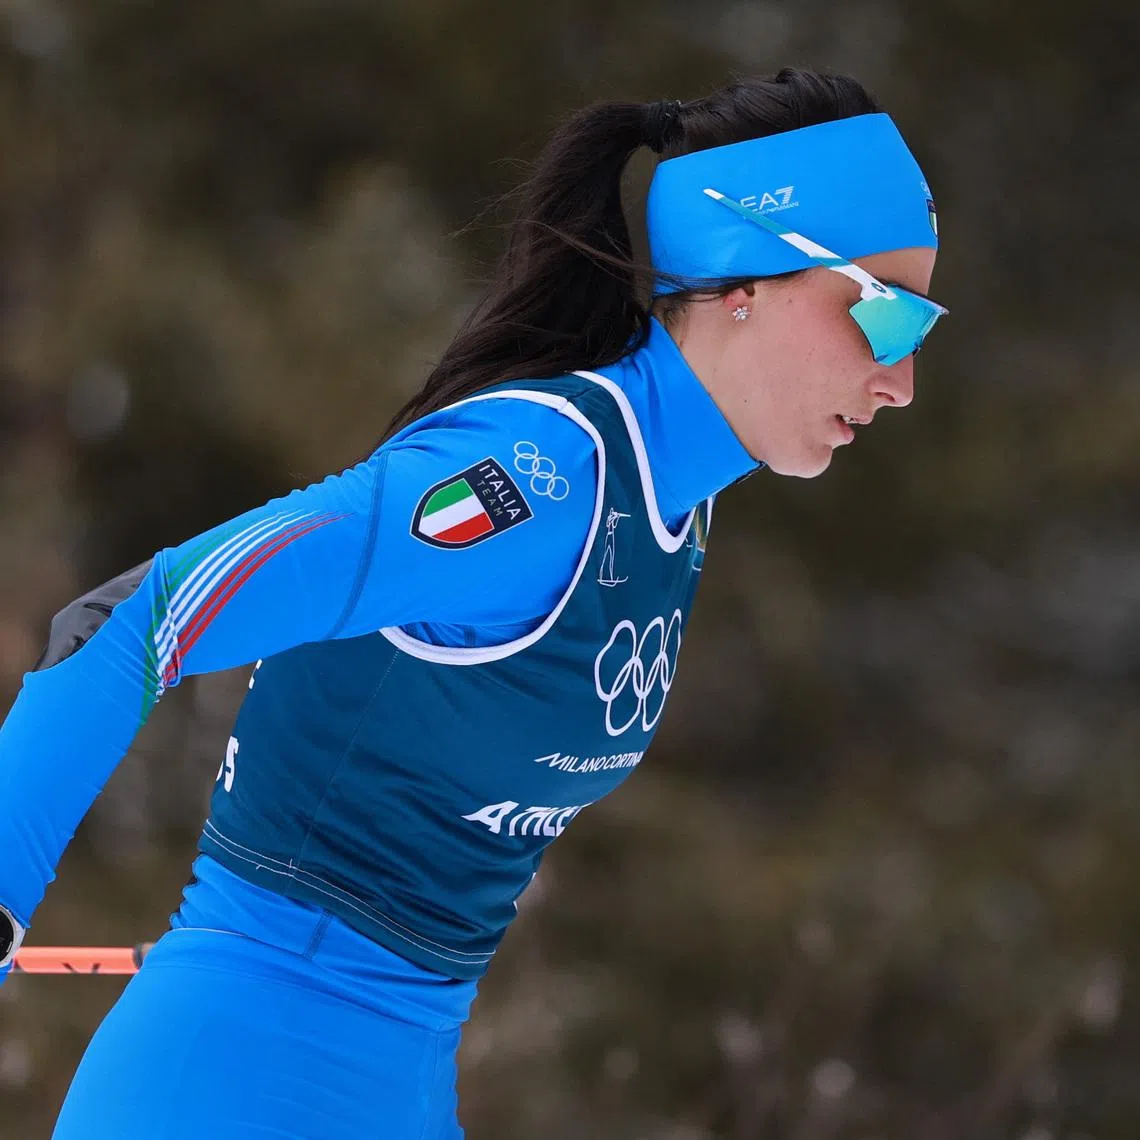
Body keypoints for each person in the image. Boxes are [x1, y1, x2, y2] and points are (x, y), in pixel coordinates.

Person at [0, 67, 944, 1139]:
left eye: (922, 329)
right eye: (884, 315)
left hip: (398, 1080)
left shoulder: (672, 504)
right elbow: (139, 618)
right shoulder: (532, 475)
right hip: (232, 1076)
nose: (901, 378)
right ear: (743, 280)